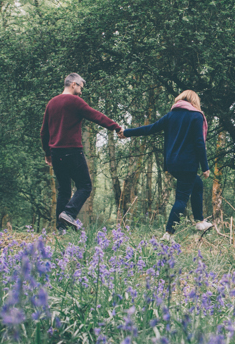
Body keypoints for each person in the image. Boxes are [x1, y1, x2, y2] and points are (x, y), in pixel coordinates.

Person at [119, 90, 213, 235]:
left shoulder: (171, 115)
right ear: (194, 101)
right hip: (187, 164)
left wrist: (127, 132)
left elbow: (150, 128)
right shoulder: (196, 116)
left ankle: (200, 221)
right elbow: (199, 143)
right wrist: (205, 166)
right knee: (181, 199)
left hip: (172, 163)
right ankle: (168, 234)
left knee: (197, 184)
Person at [41, 73, 123, 229]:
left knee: (63, 190)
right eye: (80, 87)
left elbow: (43, 132)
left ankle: (61, 230)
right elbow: (96, 116)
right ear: (73, 84)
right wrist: (116, 127)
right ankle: (70, 213)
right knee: (85, 186)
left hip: (56, 152)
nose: (81, 91)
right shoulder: (75, 101)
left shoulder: (51, 103)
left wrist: (47, 153)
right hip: (72, 150)